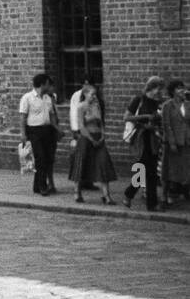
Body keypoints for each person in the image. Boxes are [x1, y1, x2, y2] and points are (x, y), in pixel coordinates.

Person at [68, 83, 115, 203]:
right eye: (92, 94)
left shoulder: (97, 106)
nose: (94, 97)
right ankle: (77, 192)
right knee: (81, 164)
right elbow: (81, 126)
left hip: (98, 137)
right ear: (85, 94)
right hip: (86, 138)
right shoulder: (81, 107)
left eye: (95, 94)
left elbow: (101, 123)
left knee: (103, 163)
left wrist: (102, 136)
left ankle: (106, 195)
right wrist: (91, 139)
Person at [123, 76, 164, 210]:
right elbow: (127, 117)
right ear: (151, 87)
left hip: (152, 138)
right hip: (140, 138)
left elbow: (157, 121)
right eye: (158, 88)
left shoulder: (156, 102)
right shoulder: (139, 99)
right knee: (142, 169)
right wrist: (145, 117)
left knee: (151, 171)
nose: (159, 92)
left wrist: (156, 124)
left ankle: (150, 203)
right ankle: (130, 194)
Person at [19, 72, 59, 196]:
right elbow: (23, 117)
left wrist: (57, 129)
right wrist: (23, 134)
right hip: (34, 131)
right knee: (40, 158)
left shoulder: (48, 98)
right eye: (47, 83)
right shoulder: (27, 98)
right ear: (42, 84)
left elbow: (52, 116)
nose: (49, 85)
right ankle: (43, 186)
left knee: (47, 159)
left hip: (47, 130)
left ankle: (37, 185)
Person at [160, 80, 190, 206]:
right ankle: (164, 196)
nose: (182, 90)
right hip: (172, 143)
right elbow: (167, 125)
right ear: (173, 91)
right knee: (168, 170)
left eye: (183, 88)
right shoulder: (167, 105)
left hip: (186, 142)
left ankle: (182, 193)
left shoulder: (188, 104)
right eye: (179, 88)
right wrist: (172, 142)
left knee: (185, 170)